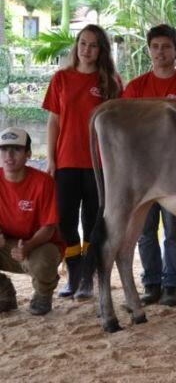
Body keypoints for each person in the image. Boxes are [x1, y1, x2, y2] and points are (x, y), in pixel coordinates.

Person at [123, 24, 176, 307]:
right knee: (144, 230)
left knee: (173, 230)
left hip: (174, 171)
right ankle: (151, 284)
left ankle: (171, 285)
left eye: (166, 47)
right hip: (142, 171)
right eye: (155, 47)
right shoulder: (135, 87)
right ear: (149, 50)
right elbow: (125, 132)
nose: (160, 52)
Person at [42, 24, 121, 300]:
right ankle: (74, 272)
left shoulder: (110, 81)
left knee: (92, 220)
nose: (87, 50)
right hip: (66, 161)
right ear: (77, 46)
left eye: (93, 45)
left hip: (99, 164)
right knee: (64, 220)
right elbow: (54, 120)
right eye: (83, 44)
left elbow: (117, 126)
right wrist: (51, 159)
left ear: (102, 50)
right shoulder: (61, 78)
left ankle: (89, 277)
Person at [0, 127, 65, 316]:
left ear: (28, 154)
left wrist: (28, 246)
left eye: (16, 150)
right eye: (4, 149)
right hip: (6, 245)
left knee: (44, 261)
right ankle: (4, 294)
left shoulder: (43, 182)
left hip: (40, 244)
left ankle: (43, 294)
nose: (9, 156)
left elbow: (49, 227)